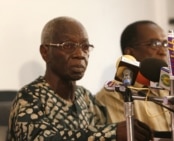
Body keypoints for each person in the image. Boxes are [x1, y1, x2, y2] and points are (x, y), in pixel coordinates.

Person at [7, 16, 153, 141]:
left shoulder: (86, 98)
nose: (80, 54)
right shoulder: (29, 97)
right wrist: (112, 133)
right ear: (45, 52)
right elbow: (43, 138)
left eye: (85, 46)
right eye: (68, 46)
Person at [95, 20, 174, 140]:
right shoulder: (114, 93)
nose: (163, 51)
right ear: (130, 52)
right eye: (154, 44)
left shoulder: (170, 88)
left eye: (165, 44)